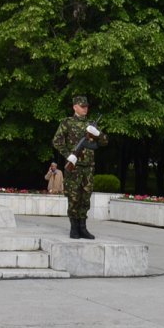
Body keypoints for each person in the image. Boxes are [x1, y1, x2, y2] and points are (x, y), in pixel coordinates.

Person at [52, 95, 108, 239]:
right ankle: (74, 228)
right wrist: (69, 155)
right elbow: (57, 141)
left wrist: (99, 134)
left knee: (86, 198)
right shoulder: (67, 122)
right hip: (74, 167)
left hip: (88, 167)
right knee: (74, 197)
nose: (85, 109)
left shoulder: (91, 124)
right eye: (82, 106)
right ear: (75, 107)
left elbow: (104, 143)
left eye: (86, 106)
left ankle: (83, 228)